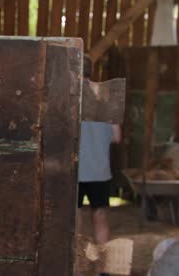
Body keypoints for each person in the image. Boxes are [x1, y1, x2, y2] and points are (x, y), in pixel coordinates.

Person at [77, 57, 122, 251]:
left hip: (74, 170)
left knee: (73, 220)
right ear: (91, 71)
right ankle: (103, 268)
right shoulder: (106, 97)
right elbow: (117, 137)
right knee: (100, 216)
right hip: (99, 170)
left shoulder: (68, 96)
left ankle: (73, 267)